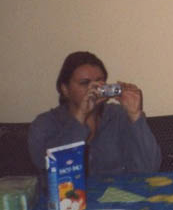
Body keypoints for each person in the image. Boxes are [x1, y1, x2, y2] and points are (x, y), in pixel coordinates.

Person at [28, 51, 161, 176]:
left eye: (99, 81)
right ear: (65, 90)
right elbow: (53, 169)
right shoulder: (45, 124)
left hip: (116, 191)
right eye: (84, 83)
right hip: (68, 191)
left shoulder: (118, 116)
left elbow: (150, 168)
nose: (94, 88)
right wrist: (81, 115)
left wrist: (135, 115)